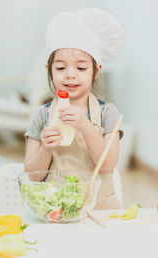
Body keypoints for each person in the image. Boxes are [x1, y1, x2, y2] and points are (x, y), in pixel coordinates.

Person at [24, 8, 126, 210]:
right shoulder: (41, 115)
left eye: (81, 68)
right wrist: (46, 149)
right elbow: (32, 176)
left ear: (96, 71)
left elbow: (107, 166)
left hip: (100, 209)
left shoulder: (108, 114)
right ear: (49, 70)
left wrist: (86, 127)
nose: (70, 75)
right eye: (61, 68)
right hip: (57, 210)